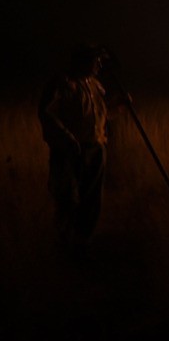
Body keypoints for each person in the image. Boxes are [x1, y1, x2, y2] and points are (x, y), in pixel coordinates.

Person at [38, 44, 120, 259]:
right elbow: (46, 113)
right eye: (96, 61)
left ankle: (83, 242)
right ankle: (63, 242)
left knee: (92, 197)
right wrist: (67, 137)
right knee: (67, 196)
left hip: (96, 146)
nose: (99, 65)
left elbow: (102, 115)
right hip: (70, 150)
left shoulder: (94, 85)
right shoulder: (63, 84)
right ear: (83, 61)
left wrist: (118, 106)